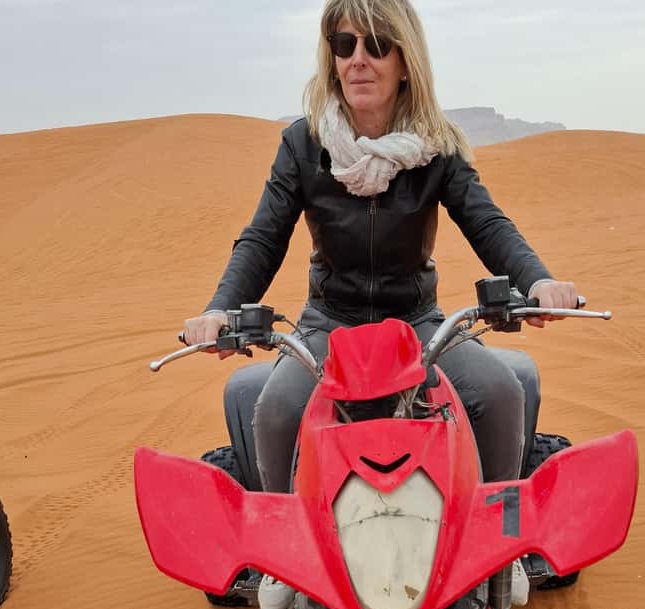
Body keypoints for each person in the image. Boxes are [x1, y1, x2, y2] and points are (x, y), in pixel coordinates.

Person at [183, 0, 578, 495]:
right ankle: (286, 561)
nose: (358, 59)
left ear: (404, 61)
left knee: (499, 392)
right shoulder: (303, 145)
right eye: (344, 45)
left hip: (418, 325)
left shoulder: (437, 147)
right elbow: (263, 237)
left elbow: (486, 221)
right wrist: (220, 309)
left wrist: (537, 280)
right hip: (329, 324)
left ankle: (498, 541)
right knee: (277, 409)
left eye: (376, 44)